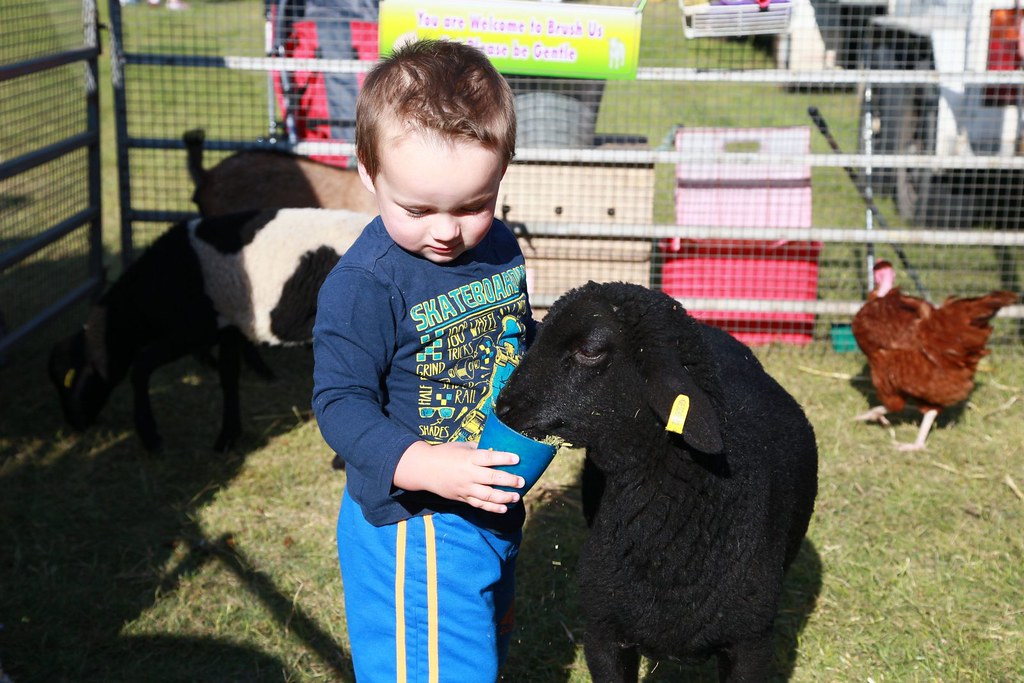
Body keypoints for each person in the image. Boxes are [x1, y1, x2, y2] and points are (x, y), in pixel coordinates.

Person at [311, 39, 537, 681]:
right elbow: (339, 404)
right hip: (419, 525)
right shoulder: (366, 285)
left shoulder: (496, 245)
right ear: (367, 170)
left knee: (474, 656)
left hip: (489, 504)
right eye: (417, 209)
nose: (446, 230)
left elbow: (511, 333)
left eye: (471, 204)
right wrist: (424, 465)